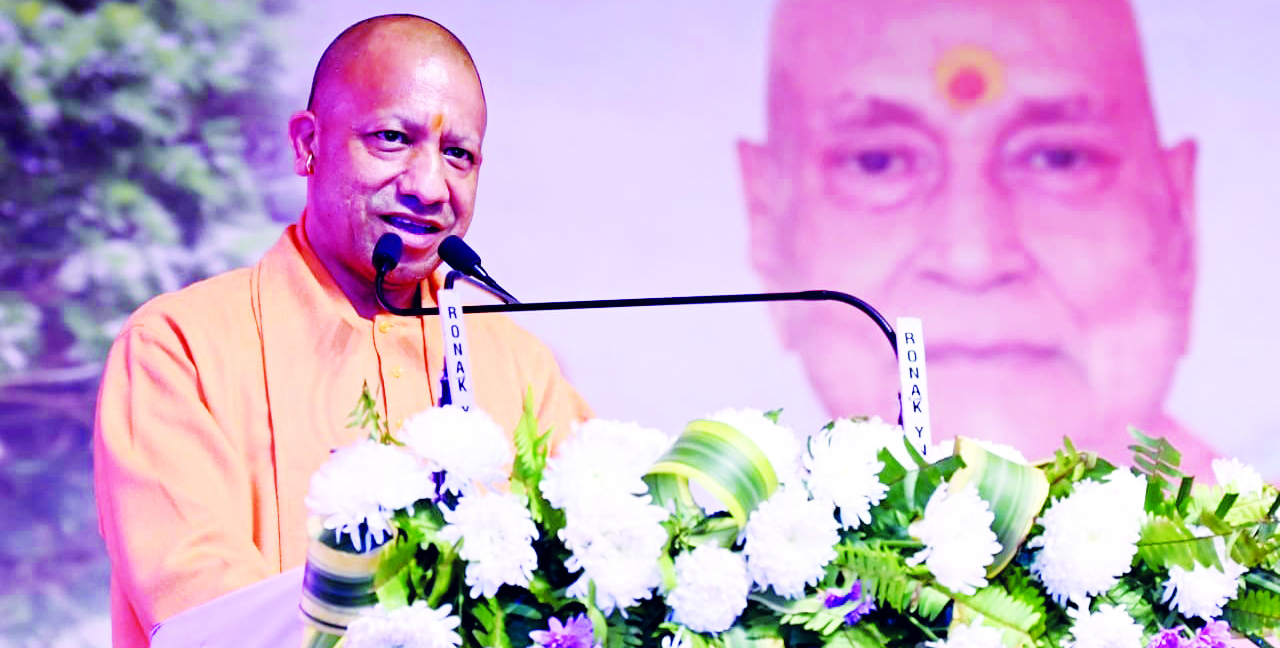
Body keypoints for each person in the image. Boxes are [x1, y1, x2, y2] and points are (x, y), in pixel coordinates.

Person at [92, 15, 592, 647]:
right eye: (392, 138)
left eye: (458, 155)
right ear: (308, 144)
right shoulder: (179, 349)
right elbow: (212, 618)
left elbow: (599, 585)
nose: (429, 187)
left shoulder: (520, 368)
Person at [738, 0, 1219, 474]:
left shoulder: (1252, 526)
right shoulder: (726, 527)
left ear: (1179, 217)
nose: (973, 258)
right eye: (878, 162)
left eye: (1058, 158)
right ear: (766, 222)